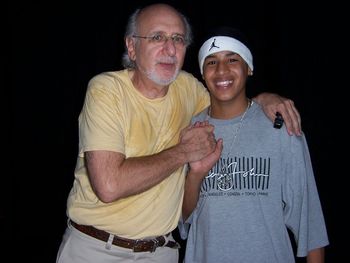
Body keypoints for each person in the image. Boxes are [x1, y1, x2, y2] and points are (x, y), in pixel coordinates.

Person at [56, 4, 302, 263]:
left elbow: (230, 101)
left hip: (161, 252)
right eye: (157, 37)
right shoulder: (106, 90)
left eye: (178, 39)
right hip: (95, 249)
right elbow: (109, 185)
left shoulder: (190, 90)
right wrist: (183, 152)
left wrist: (263, 99)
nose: (170, 49)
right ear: (131, 47)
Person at [179, 26, 329, 263]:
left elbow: (309, 222)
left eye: (232, 59)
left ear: (248, 67)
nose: (221, 70)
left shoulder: (281, 127)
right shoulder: (191, 130)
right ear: (201, 72)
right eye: (211, 62)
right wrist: (195, 175)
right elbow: (183, 219)